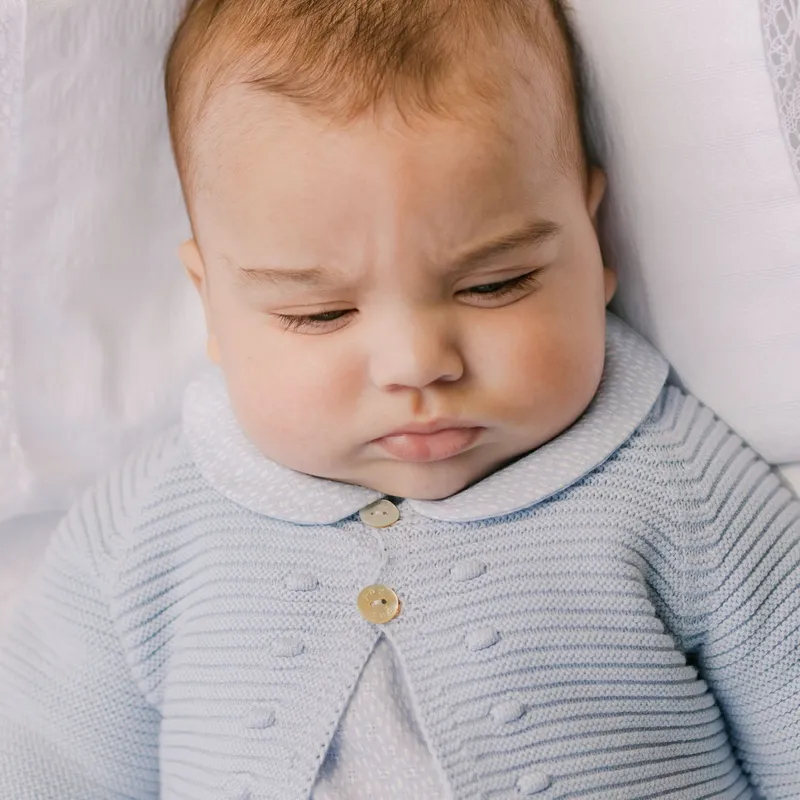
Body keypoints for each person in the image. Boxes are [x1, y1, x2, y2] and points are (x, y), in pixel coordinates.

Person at [2, 0, 799, 797]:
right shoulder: (147, 523)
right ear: (212, 306)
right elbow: (50, 759)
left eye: (496, 284)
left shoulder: (680, 487)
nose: (418, 364)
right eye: (319, 314)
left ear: (592, 245)